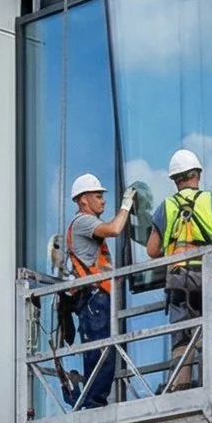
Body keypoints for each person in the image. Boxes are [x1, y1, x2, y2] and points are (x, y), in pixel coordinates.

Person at [148, 148, 212, 389]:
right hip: (208, 276)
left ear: (175, 180)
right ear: (197, 175)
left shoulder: (165, 207)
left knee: (182, 335)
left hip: (178, 279)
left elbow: (152, 250)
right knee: (211, 331)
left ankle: (181, 387)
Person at [60, 174, 136, 409]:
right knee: (101, 353)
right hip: (93, 299)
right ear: (83, 200)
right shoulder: (83, 222)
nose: (103, 201)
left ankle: (93, 401)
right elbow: (114, 229)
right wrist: (126, 205)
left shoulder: (86, 225)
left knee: (104, 352)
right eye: (98, 196)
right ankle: (93, 404)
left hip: (98, 298)